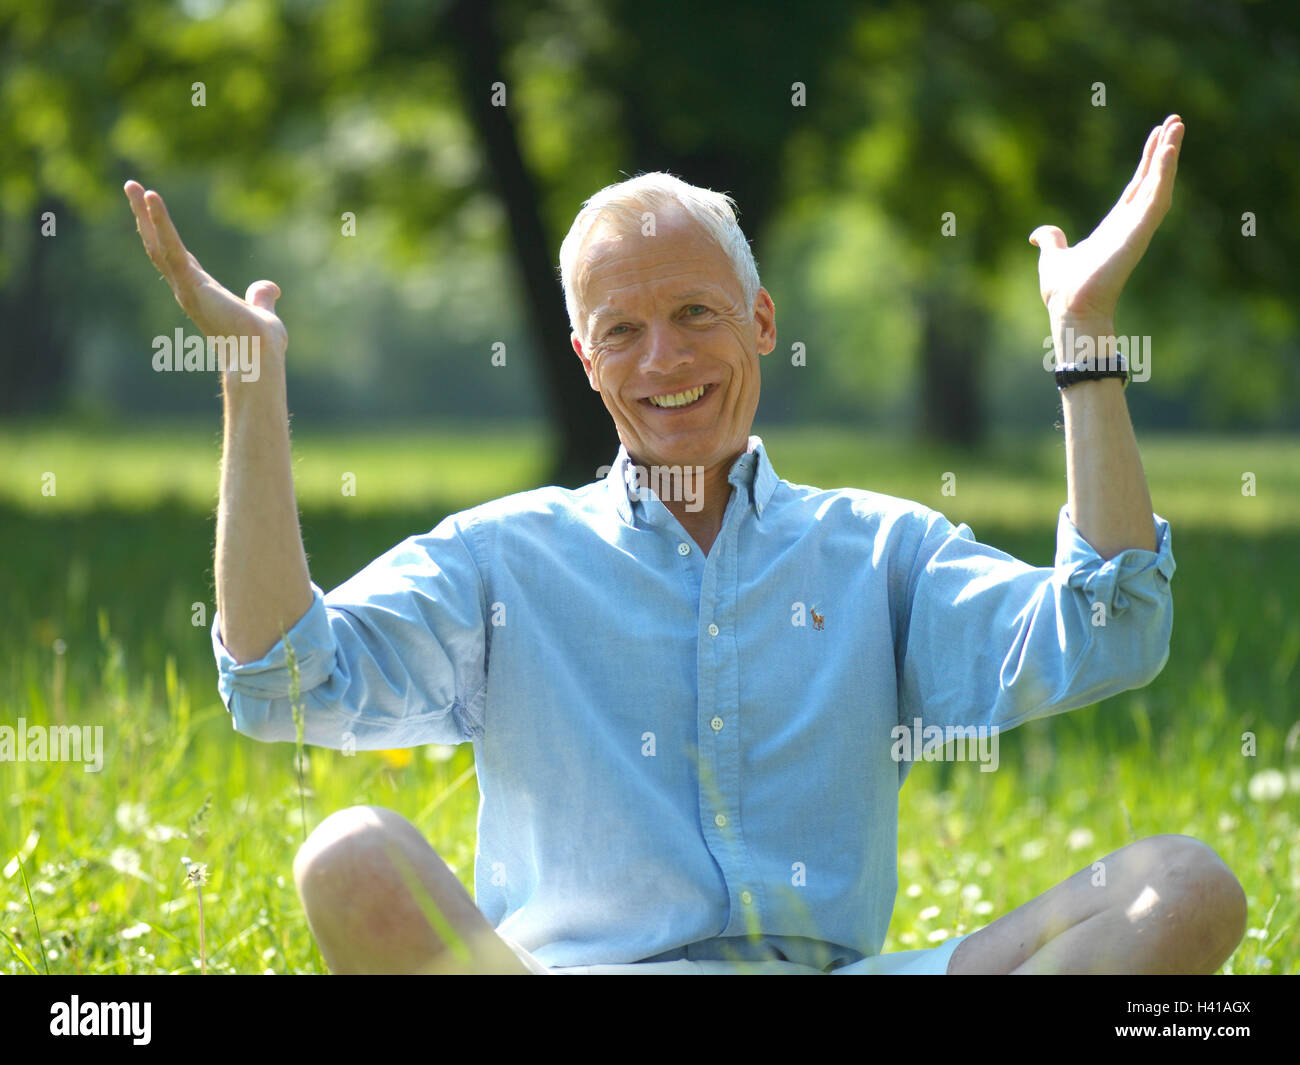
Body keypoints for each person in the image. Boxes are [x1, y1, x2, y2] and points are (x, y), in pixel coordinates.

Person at [124, 113, 1246, 974]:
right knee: (350, 855)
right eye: (623, 330)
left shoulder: (879, 551)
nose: (664, 359)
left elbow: (1107, 634)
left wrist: (1084, 340)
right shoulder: (500, 559)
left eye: (697, 314)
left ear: (760, 321)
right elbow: (279, 682)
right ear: (585, 358)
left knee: (1180, 886)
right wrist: (250, 384)